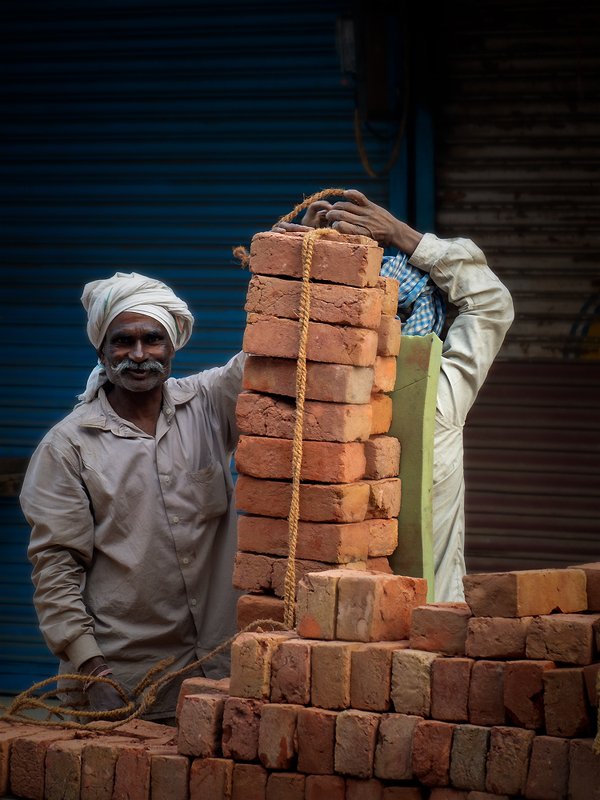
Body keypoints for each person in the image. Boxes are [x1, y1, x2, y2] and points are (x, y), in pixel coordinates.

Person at [20, 272, 246, 721]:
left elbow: (267, 352)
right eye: (122, 342)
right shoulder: (68, 447)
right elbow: (56, 568)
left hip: (221, 668)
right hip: (126, 679)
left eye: (153, 340)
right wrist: (94, 671)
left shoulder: (208, 402)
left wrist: (303, 263)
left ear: (173, 345)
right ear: (101, 350)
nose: (139, 355)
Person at [274, 189, 515, 602]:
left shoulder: (437, 393)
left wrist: (403, 236)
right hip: (316, 625)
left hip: (429, 616)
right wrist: (285, 269)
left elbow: (491, 304)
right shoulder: (294, 391)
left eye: (384, 318)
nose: (365, 337)